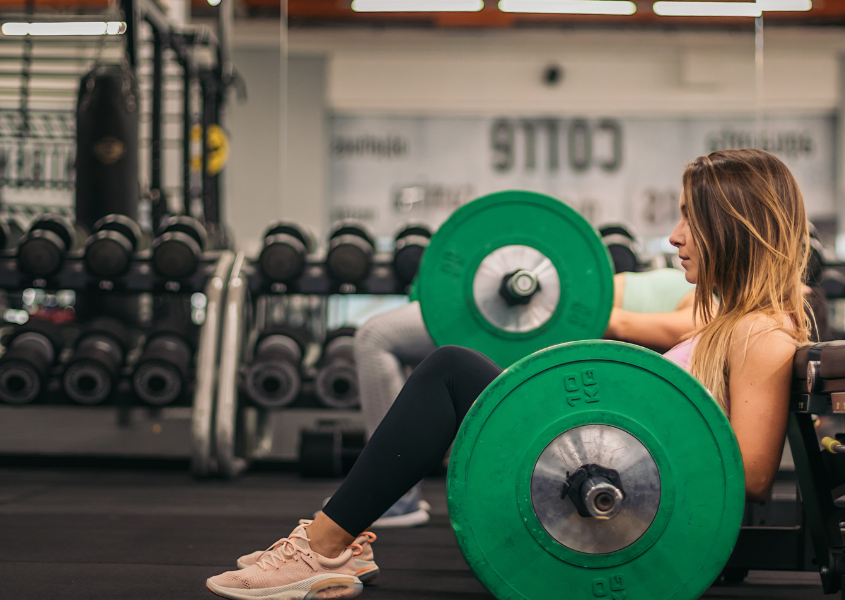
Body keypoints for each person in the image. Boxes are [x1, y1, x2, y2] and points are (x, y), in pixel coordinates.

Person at [206, 148, 810, 600]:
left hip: (638, 495)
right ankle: (332, 539)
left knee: (449, 369)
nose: (675, 236)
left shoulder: (761, 333)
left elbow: (753, 475)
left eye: (689, 219)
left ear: (732, 226)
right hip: (610, 463)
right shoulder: (726, 318)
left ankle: (325, 544)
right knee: (456, 369)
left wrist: (641, 419)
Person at [354, 266, 696, 528]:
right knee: (379, 338)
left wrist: (549, 308)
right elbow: (591, 290)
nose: (676, 237)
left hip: (538, 321)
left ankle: (396, 501)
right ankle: (395, 499)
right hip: (522, 308)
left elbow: (621, 325)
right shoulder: (699, 278)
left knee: (390, 343)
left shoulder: (720, 306)